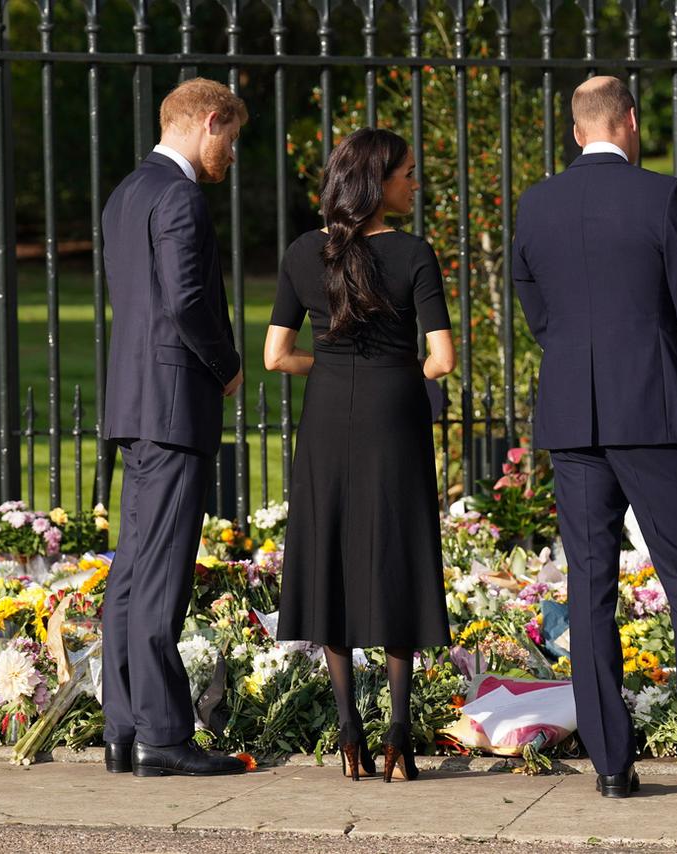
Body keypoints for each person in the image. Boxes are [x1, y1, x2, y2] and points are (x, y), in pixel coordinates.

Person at [512, 77, 677, 804]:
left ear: (575, 130)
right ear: (629, 121)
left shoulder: (537, 203)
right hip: (652, 414)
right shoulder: (661, 196)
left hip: (574, 418)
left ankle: (612, 768)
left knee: (590, 588)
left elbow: (540, 313)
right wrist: (660, 373)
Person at [265, 128, 455, 783]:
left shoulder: (301, 253)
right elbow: (443, 359)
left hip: (325, 416)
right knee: (397, 550)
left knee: (330, 552)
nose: (414, 182)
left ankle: (350, 732)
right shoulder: (413, 254)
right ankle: (400, 734)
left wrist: (331, 366)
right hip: (395, 416)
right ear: (378, 182)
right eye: (407, 172)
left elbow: (274, 355)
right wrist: (395, 372)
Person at [100, 78, 249, 777]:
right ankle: (163, 735)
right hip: (172, 405)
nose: (230, 152)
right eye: (232, 137)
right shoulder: (181, 195)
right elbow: (188, 300)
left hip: (134, 402)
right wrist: (226, 363)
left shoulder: (126, 193)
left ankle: (124, 729)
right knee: (159, 575)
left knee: (132, 570)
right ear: (209, 120)